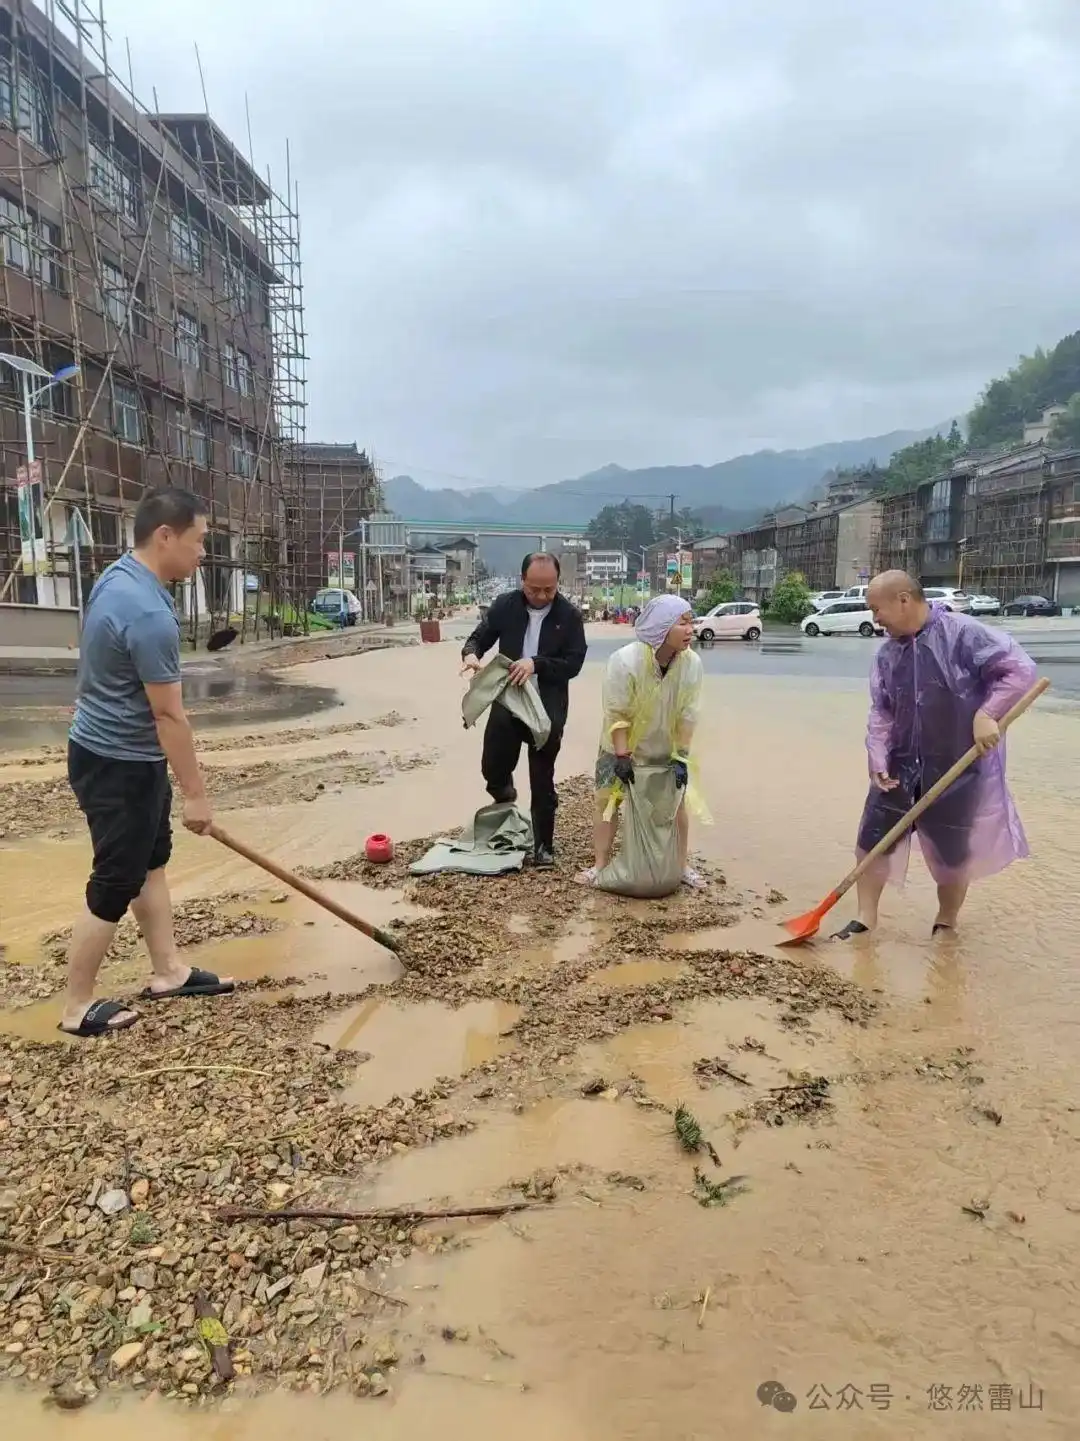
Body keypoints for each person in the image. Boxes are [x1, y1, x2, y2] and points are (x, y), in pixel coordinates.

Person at [60, 486, 233, 1037]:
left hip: (118, 753)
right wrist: (197, 796)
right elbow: (169, 718)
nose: (203, 552)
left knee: (149, 862)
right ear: (165, 536)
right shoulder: (147, 612)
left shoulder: (122, 577)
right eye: (199, 541)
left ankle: (169, 970)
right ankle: (76, 1006)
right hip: (117, 762)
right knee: (116, 878)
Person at [834, 570, 1038, 940]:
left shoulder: (963, 633)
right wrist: (878, 755)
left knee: (952, 850)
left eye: (875, 609)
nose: (873, 618)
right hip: (899, 764)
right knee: (873, 838)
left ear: (903, 600)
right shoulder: (887, 654)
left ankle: (946, 921)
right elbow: (882, 711)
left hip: (957, 765)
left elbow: (1019, 670)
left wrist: (987, 713)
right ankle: (865, 918)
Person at [460, 551, 587, 868]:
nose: (542, 596)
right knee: (492, 765)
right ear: (522, 582)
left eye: (549, 589)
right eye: (534, 590)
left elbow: (573, 664)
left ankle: (544, 845)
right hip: (509, 699)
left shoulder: (569, 616)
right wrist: (471, 655)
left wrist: (536, 664)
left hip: (547, 706)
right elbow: (480, 637)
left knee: (542, 776)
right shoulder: (506, 605)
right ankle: (505, 800)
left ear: (558, 584)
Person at [577, 594, 706, 889]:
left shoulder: (691, 664)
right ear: (661, 626)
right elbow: (617, 711)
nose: (691, 629)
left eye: (691, 622)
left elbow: (689, 713)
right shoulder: (625, 661)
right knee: (608, 802)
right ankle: (600, 865)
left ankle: (681, 864)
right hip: (619, 748)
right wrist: (622, 756)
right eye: (683, 623)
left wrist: (681, 756)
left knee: (676, 806)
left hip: (664, 749)